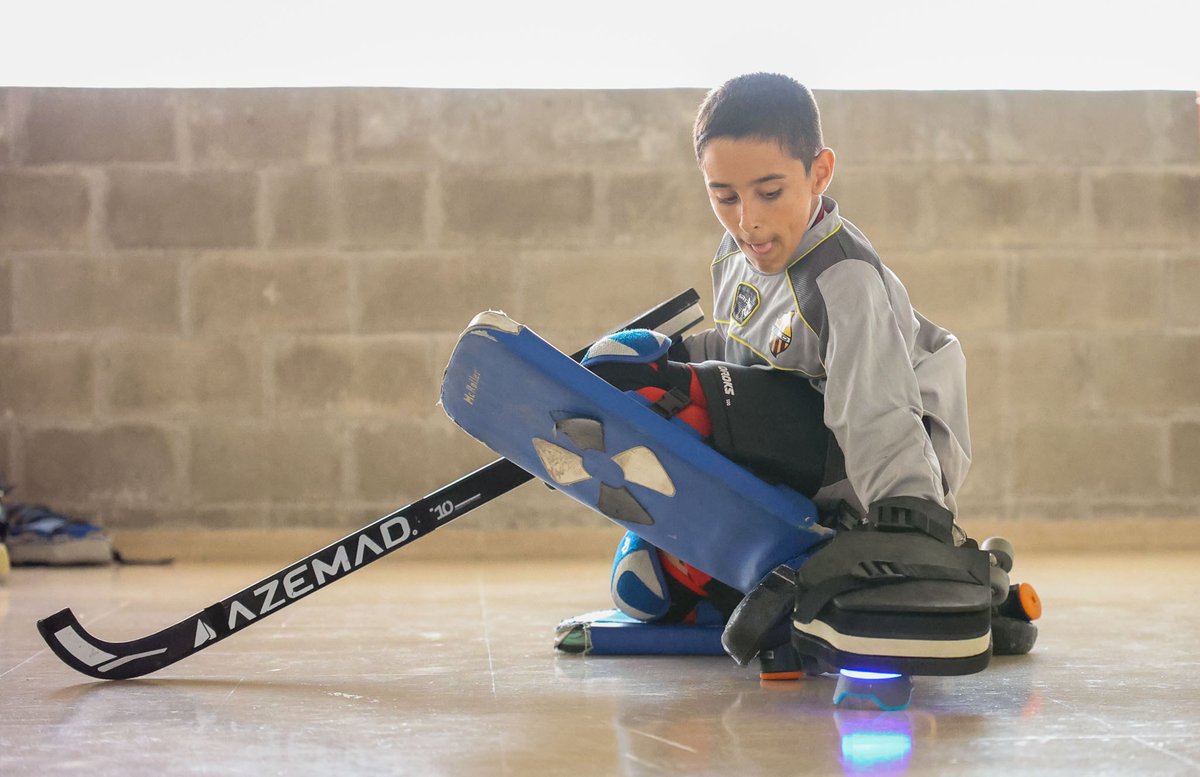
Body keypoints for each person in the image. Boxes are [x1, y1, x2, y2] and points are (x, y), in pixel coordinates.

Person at [587, 73, 1009, 678]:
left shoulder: (844, 279)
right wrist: (666, 353)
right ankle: (724, 570)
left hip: (884, 472)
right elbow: (746, 352)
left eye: (769, 192)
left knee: (680, 397)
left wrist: (910, 528)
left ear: (819, 173)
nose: (748, 221)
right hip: (804, 444)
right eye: (724, 196)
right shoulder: (736, 253)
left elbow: (878, 412)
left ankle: (790, 556)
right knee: (647, 584)